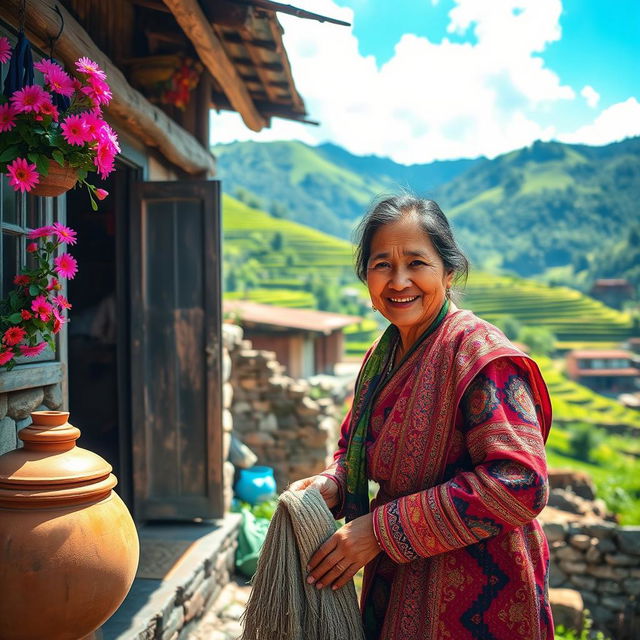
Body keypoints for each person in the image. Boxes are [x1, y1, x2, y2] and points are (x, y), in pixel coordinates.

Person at [290, 195, 553, 640]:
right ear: (366, 279)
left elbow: (522, 482)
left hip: (482, 600)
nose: (398, 281)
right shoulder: (382, 355)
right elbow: (355, 445)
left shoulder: (477, 353)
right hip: (395, 591)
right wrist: (333, 482)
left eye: (416, 263)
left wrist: (382, 530)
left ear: (448, 273)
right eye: (381, 265)